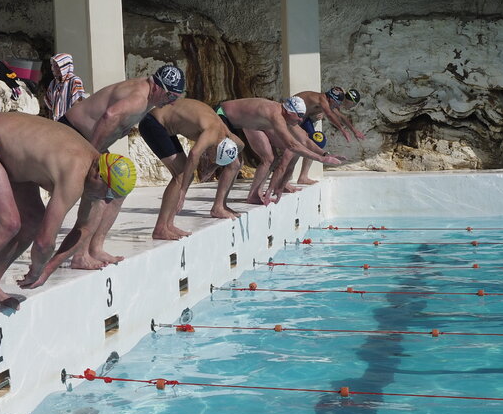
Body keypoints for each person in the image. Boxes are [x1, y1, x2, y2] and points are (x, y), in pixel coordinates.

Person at [0, 112, 134, 326]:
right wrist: (37, 268)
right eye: (106, 194)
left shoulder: (98, 170)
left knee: (32, 221)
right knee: (5, 225)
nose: (104, 201)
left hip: (12, 153)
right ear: (98, 176)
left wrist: (47, 270)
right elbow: (44, 242)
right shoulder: (76, 173)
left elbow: (84, 230)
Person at [57, 64, 184, 268]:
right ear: (157, 87)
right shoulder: (139, 98)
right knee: (99, 192)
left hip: (84, 138)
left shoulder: (148, 98)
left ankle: (95, 248)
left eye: (175, 98)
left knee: (118, 188)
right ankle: (80, 256)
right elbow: (110, 115)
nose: (170, 102)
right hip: (73, 135)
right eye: (170, 96)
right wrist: (94, 154)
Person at [138, 97, 243, 240]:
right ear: (215, 147)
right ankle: (161, 228)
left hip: (165, 125)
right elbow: (194, 154)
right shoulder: (212, 133)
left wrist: (214, 166)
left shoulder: (229, 136)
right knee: (180, 176)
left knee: (185, 175)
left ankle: (168, 225)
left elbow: (241, 145)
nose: (209, 157)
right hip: (152, 123)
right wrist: (183, 191)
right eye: (212, 156)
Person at [214, 97, 346, 205]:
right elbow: (291, 147)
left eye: (302, 116)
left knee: (267, 158)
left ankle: (251, 195)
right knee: (239, 163)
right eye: (299, 116)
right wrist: (321, 159)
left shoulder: (291, 122)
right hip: (222, 115)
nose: (301, 120)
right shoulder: (276, 116)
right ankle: (219, 206)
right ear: (290, 112)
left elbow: (306, 143)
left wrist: (325, 154)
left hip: (245, 123)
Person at [286, 86, 366, 188]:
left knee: (315, 142)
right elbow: (329, 113)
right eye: (351, 104)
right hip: (293, 118)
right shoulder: (324, 99)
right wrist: (342, 130)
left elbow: (341, 116)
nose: (349, 106)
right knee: (292, 150)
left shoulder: (332, 100)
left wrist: (354, 131)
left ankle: (303, 177)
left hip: (303, 120)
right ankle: (283, 181)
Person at [44, 53, 87, 121]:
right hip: (56, 124)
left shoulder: (75, 81)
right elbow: (50, 107)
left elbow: (77, 105)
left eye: (57, 65)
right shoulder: (53, 84)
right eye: (53, 65)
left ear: (64, 66)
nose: (53, 69)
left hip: (70, 123)